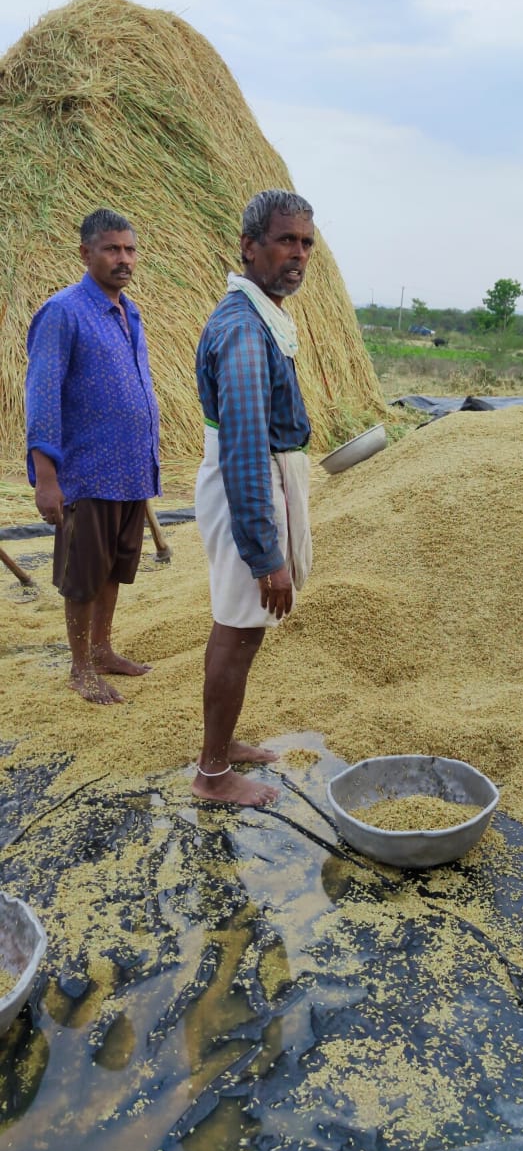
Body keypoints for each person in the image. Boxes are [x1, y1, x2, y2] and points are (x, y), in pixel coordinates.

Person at [193, 189, 315, 806]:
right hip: (250, 486)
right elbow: (244, 448)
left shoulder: (262, 316)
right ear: (249, 245)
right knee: (237, 628)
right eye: (285, 240)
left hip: (261, 479)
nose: (298, 255)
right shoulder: (243, 330)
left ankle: (224, 741)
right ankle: (213, 774)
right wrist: (266, 553)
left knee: (245, 626)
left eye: (306, 244)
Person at [25, 208, 161, 705]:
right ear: (86, 254)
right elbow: (42, 395)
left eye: (129, 249)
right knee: (82, 575)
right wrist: (46, 476)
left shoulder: (130, 311)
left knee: (113, 568)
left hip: (130, 470)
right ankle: (80, 667)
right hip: (87, 470)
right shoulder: (63, 311)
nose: (123, 259)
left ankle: (102, 650)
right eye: (111, 249)